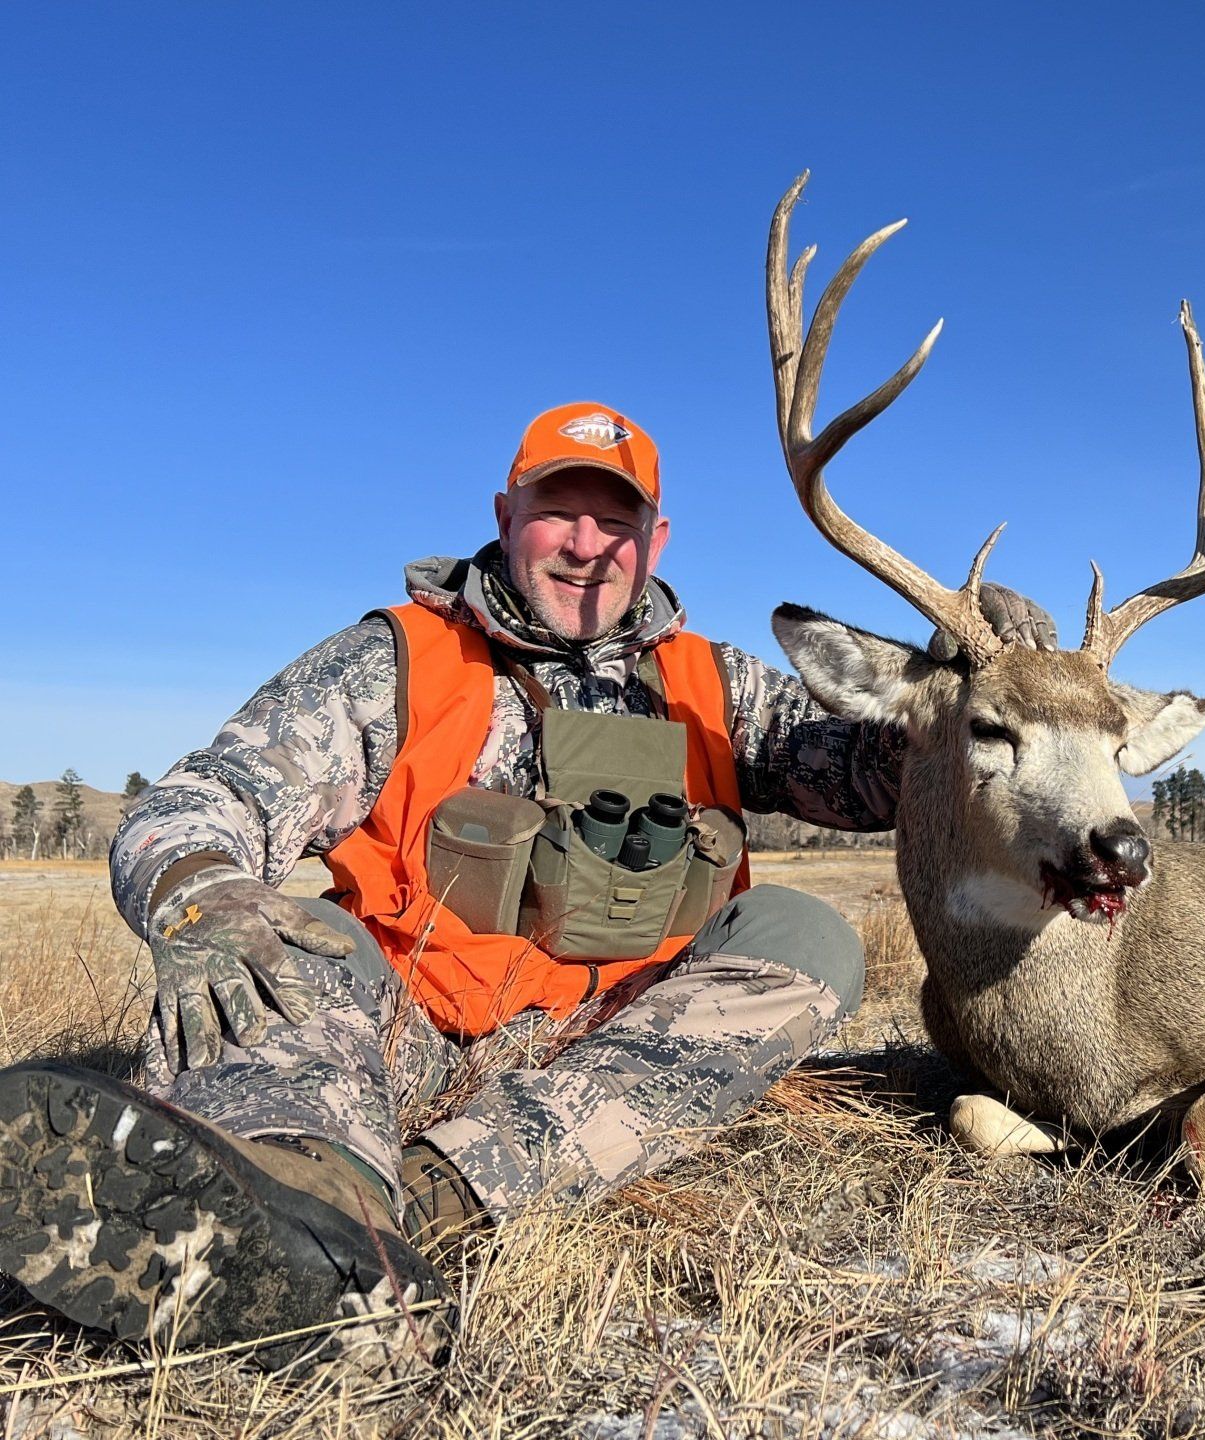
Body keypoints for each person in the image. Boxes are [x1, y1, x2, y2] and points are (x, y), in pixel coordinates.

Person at [0, 402, 1054, 1369]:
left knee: (809, 938)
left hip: (624, 1054)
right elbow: (209, 796)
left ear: (657, 542)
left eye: (617, 521)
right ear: (508, 516)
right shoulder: (396, 660)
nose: (589, 547)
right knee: (269, 940)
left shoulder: (713, 683)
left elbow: (883, 770)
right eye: (560, 512)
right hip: (403, 1036)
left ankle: (387, 1215)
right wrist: (198, 888)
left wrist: (973, 678)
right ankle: (298, 1179)